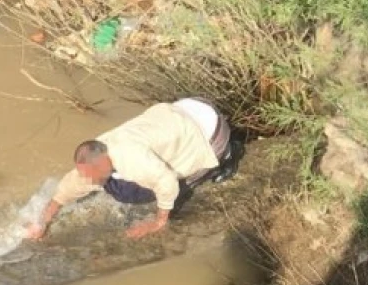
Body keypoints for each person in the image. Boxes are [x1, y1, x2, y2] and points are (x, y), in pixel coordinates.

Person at [25, 97, 239, 241]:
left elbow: (166, 182)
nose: (90, 180)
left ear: (103, 162)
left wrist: (157, 222)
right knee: (119, 186)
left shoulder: (131, 157)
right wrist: (42, 223)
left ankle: (229, 154)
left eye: (94, 176)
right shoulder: (98, 151)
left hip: (211, 131)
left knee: (170, 185)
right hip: (187, 106)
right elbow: (66, 190)